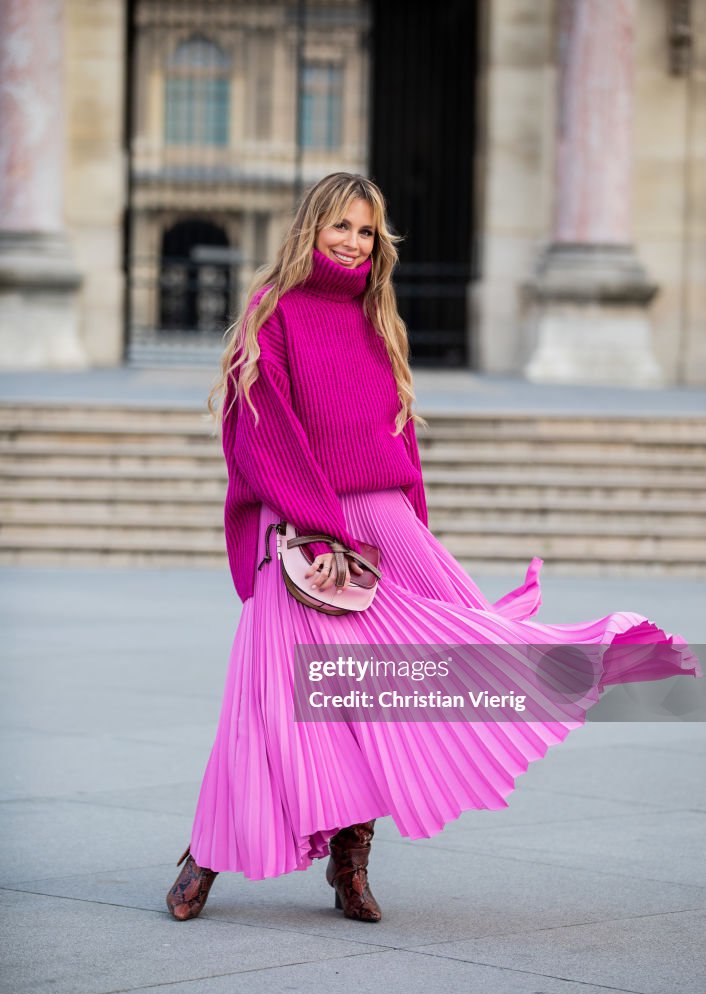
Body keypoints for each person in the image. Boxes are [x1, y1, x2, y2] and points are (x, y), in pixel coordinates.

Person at [166, 171, 701, 924]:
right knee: (269, 699)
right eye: (341, 226)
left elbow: (398, 434)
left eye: (365, 231)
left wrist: (414, 530)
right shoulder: (273, 312)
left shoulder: (378, 314)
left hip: (384, 523)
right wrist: (320, 529)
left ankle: (351, 864)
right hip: (300, 524)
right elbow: (263, 430)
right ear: (310, 228)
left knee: (394, 691)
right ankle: (207, 854)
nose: (352, 242)